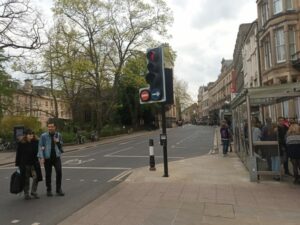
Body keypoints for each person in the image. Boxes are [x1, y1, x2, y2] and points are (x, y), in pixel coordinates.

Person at [38, 121, 65, 196]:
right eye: (49, 127)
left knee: (59, 172)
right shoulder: (43, 136)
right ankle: (49, 189)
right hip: (47, 158)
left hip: (56, 157)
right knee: (48, 174)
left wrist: (58, 142)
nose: (50, 128)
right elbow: (40, 146)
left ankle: (58, 189)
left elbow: (62, 144)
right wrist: (41, 157)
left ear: (54, 127)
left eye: (52, 127)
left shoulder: (58, 135)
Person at [15, 129, 42, 200]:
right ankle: (26, 193)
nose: (31, 135)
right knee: (26, 179)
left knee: (36, 177)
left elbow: (39, 151)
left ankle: (33, 191)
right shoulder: (21, 143)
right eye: (29, 134)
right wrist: (18, 164)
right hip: (25, 164)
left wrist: (41, 155)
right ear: (26, 135)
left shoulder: (36, 142)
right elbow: (18, 154)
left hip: (34, 163)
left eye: (32, 134)